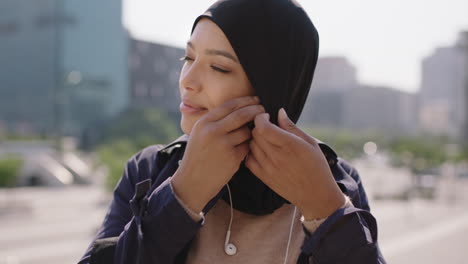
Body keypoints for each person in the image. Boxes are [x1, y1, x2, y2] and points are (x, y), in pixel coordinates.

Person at [78, 0, 386, 263]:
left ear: (273, 87)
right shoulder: (150, 169)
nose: (188, 80)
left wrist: (326, 210)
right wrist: (182, 194)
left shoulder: (334, 180)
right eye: (189, 57)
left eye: (219, 67)